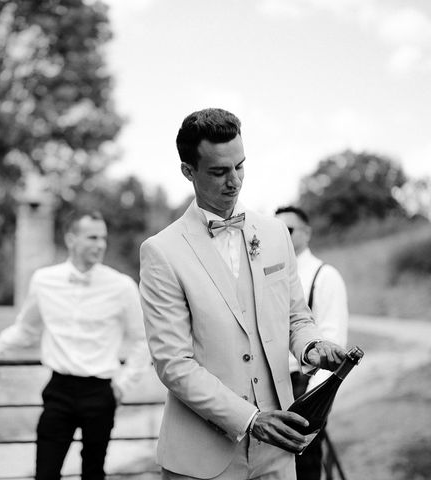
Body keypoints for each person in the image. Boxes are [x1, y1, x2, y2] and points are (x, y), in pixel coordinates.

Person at [139, 107, 347, 480]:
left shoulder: (275, 233)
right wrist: (249, 419)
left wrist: (313, 346)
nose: (234, 181)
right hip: (201, 458)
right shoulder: (162, 251)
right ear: (188, 171)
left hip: (278, 451)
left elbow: (296, 317)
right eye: (219, 171)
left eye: (240, 166)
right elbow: (173, 363)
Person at [0, 209, 149, 480]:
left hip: (100, 392)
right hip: (59, 391)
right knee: (45, 472)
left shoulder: (122, 286)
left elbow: (141, 341)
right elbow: (25, 329)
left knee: (93, 474)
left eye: (103, 238)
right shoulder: (44, 280)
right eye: (92, 237)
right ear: (71, 239)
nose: (100, 244)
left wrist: (122, 386)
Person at [275, 205, 349, 480]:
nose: (281, 235)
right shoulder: (272, 275)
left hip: (304, 386)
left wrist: (313, 406)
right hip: (271, 385)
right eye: (277, 229)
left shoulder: (324, 276)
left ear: (306, 233)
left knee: (304, 470)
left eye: (289, 229)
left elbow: (332, 339)